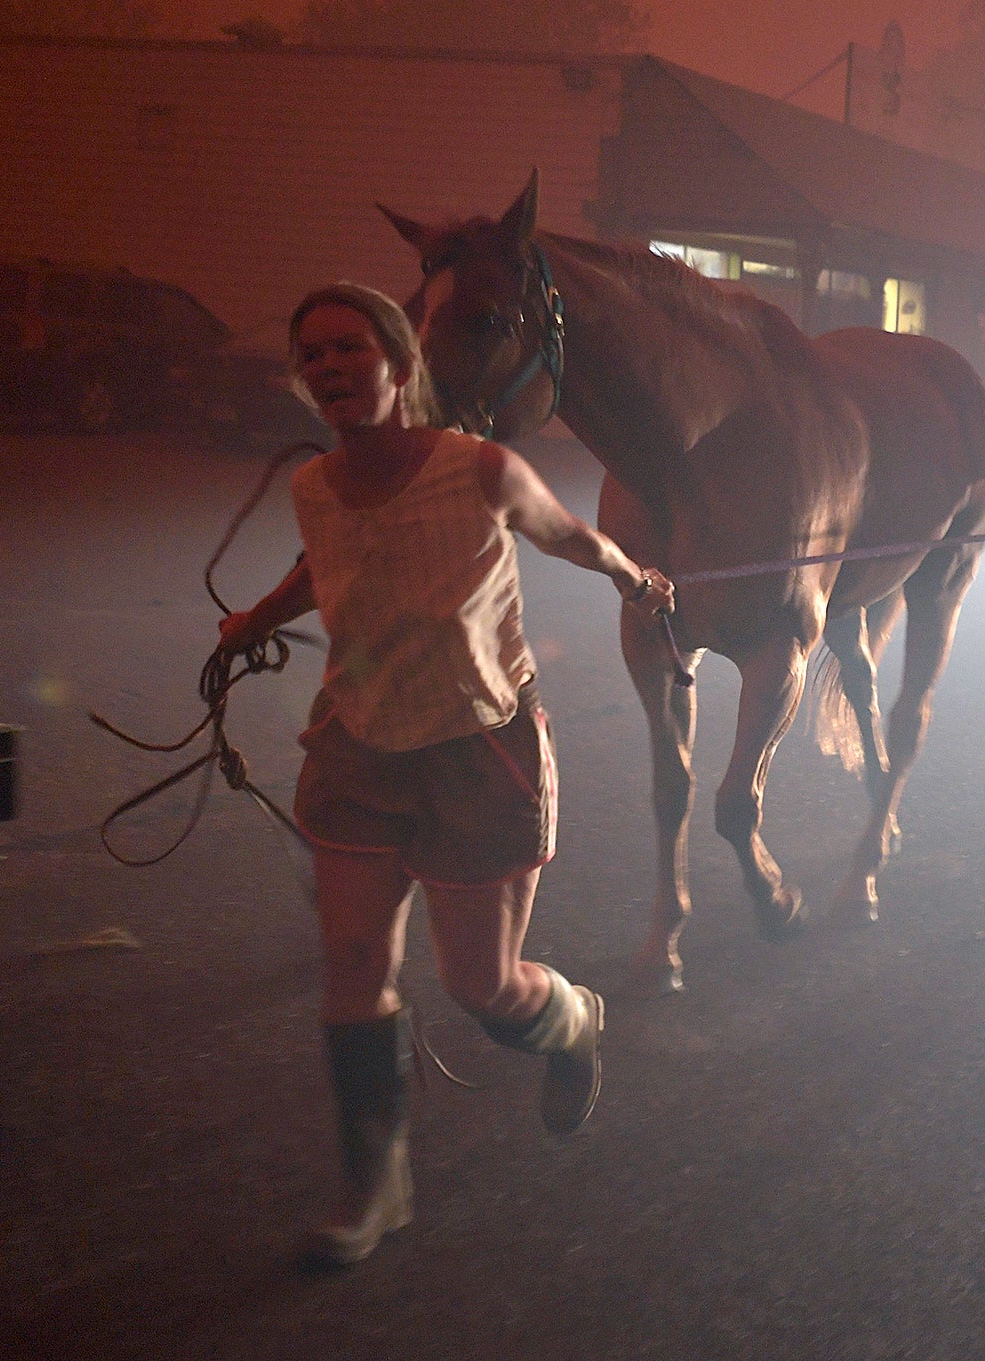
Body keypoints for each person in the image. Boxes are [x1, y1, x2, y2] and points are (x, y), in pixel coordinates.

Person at [216, 282, 674, 1267]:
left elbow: (567, 535)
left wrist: (635, 578)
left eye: (350, 348)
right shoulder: (313, 485)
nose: (331, 367)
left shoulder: (482, 469)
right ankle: (374, 1187)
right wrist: (257, 615)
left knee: (481, 984)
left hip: (478, 751)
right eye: (313, 355)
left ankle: (572, 1020)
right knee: (352, 964)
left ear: (396, 365)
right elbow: (325, 560)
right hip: (357, 744)